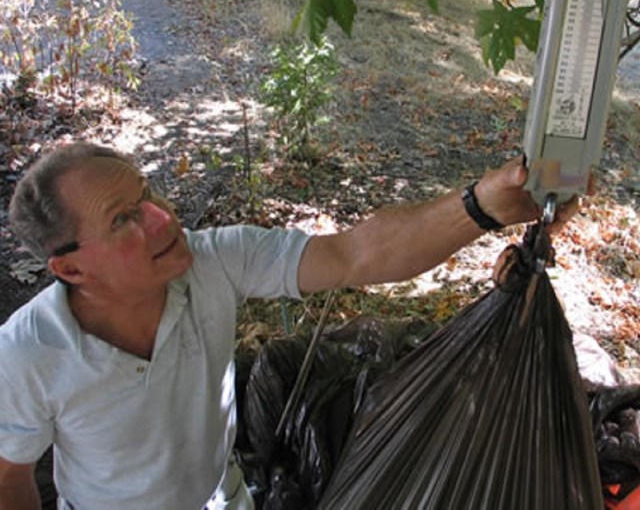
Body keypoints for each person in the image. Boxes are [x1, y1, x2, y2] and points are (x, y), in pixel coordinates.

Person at [0, 141, 578, 510]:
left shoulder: (212, 262)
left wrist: (485, 205)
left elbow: (356, 254)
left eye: (147, 194)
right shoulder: (28, 354)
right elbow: (10, 480)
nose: (161, 217)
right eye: (124, 218)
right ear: (70, 268)